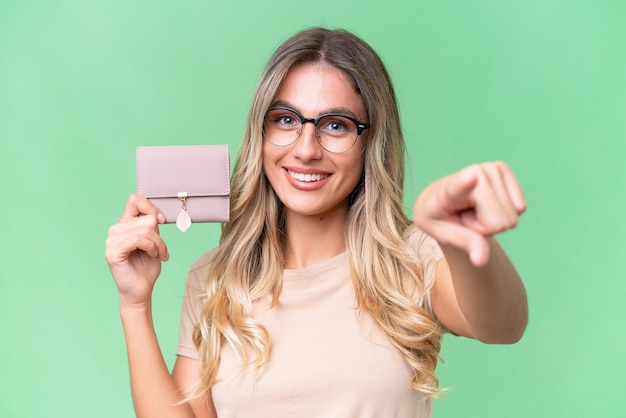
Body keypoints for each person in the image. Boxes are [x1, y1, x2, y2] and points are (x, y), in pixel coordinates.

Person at [105, 27, 528, 418]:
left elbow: (503, 326)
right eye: (286, 119)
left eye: (336, 125)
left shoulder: (411, 256)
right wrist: (135, 305)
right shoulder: (215, 277)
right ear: (262, 131)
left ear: (370, 143)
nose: (306, 149)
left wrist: (459, 238)